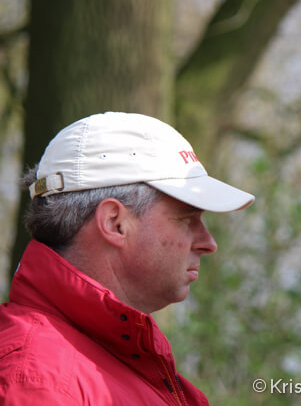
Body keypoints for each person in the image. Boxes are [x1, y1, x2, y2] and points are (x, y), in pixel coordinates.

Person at [0, 112, 254, 404]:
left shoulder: (119, 362)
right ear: (115, 223)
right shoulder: (39, 383)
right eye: (187, 219)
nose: (209, 243)